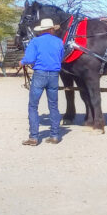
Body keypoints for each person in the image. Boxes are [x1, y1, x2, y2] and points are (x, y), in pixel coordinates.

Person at [19, 17, 65, 146]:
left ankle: (34, 137)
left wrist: (22, 62)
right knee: (53, 105)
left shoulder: (35, 41)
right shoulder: (59, 42)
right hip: (54, 75)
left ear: (42, 30)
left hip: (40, 74)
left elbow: (30, 58)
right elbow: (61, 57)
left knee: (33, 105)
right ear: (51, 29)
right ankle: (55, 135)